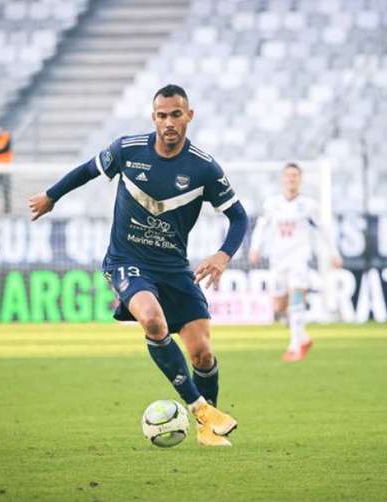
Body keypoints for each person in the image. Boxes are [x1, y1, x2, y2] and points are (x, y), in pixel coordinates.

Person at [28, 85, 248, 446]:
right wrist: (52, 196)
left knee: (203, 354)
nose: (168, 123)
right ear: (153, 118)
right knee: (152, 319)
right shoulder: (127, 150)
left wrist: (223, 256)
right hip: (126, 261)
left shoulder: (203, 168)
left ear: (188, 116)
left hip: (175, 269)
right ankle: (200, 409)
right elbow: (87, 170)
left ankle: (209, 427)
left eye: (176, 114)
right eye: (161, 115)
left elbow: (238, 218)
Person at [248, 163, 342, 362]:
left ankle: (294, 346)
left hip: (299, 257)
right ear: (283, 179)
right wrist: (255, 248)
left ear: (300, 179)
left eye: (295, 176)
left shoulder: (308, 205)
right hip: (277, 258)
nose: (291, 179)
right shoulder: (272, 204)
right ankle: (304, 338)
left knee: (296, 297)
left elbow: (323, 229)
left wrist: (334, 253)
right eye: (288, 176)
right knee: (279, 306)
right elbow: (261, 227)